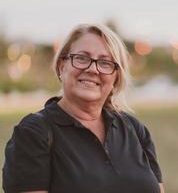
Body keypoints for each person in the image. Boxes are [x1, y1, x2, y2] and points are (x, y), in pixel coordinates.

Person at [2, 24, 164, 193]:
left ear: (116, 77)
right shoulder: (34, 133)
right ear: (61, 65)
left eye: (105, 62)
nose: (93, 69)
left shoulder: (134, 129)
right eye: (81, 58)